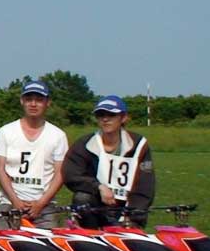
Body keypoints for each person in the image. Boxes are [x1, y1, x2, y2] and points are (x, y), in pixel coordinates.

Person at [63, 95, 155, 227]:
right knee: (82, 197)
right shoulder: (86, 144)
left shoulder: (139, 145)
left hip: (128, 210)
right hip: (96, 207)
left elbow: (145, 185)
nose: (105, 119)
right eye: (100, 115)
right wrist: (98, 186)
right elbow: (71, 174)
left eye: (111, 115)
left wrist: (132, 215)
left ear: (123, 118)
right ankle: (90, 233)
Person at [0, 80, 69, 229]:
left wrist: (41, 203)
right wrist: (15, 201)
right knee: (6, 242)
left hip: (45, 206)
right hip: (10, 203)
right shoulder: (6, 131)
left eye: (39, 100)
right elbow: (0, 170)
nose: (33, 104)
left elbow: (60, 173)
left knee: (46, 244)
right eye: (28, 99)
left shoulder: (58, 135)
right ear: (22, 101)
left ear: (48, 103)